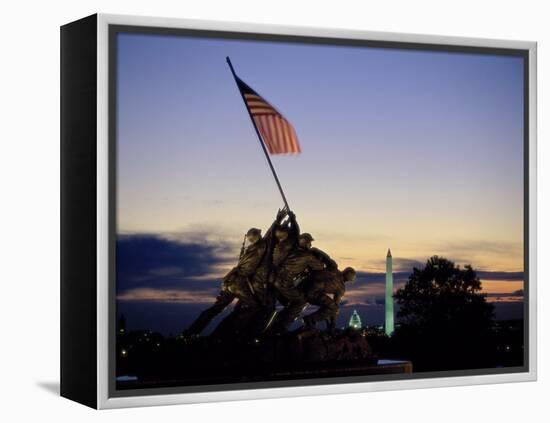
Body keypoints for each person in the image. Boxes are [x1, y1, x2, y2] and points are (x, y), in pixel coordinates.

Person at [183, 227, 267, 337]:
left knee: (215, 309)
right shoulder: (261, 246)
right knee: (255, 307)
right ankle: (233, 333)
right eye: (259, 234)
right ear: (257, 236)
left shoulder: (249, 249)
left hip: (230, 281)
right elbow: (267, 239)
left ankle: (191, 332)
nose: (261, 236)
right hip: (239, 283)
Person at [301, 267, 357, 331]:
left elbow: (335, 305)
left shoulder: (335, 271)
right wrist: (333, 323)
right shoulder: (340, 286)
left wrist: (333, 322)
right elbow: (335, 306)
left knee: (331, 306)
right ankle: (310, 320)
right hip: (311, 291)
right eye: (351, 276)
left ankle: (310, 320)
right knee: (333, 307)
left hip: (310, 288)